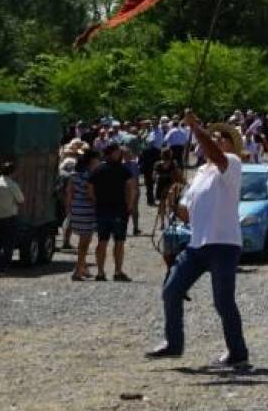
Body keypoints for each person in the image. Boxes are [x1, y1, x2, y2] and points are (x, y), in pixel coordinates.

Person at [148, 111, 251, 369]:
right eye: (213, 137)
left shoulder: (231, 162)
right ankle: (173, 343)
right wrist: (172, 203)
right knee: (172, 289)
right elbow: (187, 213)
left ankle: (237, 352)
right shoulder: (200, 174)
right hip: (198, 244)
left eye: (220, 137)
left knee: (223, 301)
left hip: (224, 244)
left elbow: (214, 153)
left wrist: (196, 127)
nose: (215, 140)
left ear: (230, 144)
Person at [90, 141, 137, 282]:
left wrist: (95, 202)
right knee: (118, 242)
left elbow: (90, 188)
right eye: (118, 152)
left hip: (103, 210)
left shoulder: (98, 170)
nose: (120, 154)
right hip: (118, 210)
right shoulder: (123, 170)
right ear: (112, 153)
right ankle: (117, 271)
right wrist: (129, 205)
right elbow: (131, 188)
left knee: (104, 241)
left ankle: (100, 272)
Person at [0, 160, 25, 272]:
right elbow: (21, 200)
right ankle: (5, 265)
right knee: (8, 243)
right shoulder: (12, 185)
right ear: (12, 172)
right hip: (8, 217)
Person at [68, 150, 99, 281]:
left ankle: (83, 267)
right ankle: (78, 270)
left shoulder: (74, 175)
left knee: (83, 240)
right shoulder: (91, 176)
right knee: (85, 243)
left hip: (76, 209)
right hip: (87, 210)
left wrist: (69, 209)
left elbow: (69, 193)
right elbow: (91, 194)